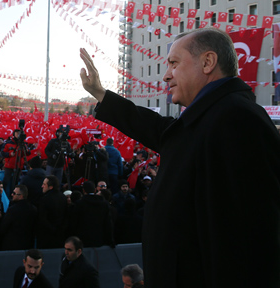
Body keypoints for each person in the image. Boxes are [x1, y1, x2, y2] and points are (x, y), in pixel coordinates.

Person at [79, 28, 280, 287]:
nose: (166, 75)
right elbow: (158, 129)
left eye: (174, 63)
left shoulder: (238, 120)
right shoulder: (208, 117)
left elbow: (251, 241)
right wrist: (101, 94)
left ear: (207, 62)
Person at [68, 181, 113, 247]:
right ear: (95, 190)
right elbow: (108, 223)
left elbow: (74, 223)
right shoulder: (104, 204)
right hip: (99, 238)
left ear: (83, 190)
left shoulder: (79, 204)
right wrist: (110, 240)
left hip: (83, 239)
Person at [0, 184, 37, 251]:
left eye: (14, 193)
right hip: (28, 245)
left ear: (21, 196)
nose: (11, 195)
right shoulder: (33, 209)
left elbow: (4, 227)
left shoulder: (13, 210)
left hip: (11, 245)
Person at [36, 176, 67, 249]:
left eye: (44, 184)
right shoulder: (63, 197)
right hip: (61, 235)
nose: (42, 186)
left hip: (47, 236)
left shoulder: (45, 199)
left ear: (51, 187)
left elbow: (42, 218)